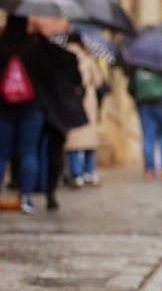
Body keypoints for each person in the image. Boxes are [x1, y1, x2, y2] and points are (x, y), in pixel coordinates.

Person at [0, 15, 79, 213]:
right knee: (28, 152)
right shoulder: (34, 48)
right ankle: (26, 197)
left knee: (1, 155)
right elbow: (51, 72)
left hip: (3, 108)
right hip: (31, 107)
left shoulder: (1, 46)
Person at [64, 32, 104, 189]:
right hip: (87, 102)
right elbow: (99, 82)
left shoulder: (61, 55)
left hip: (68, 101)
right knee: (88, 140)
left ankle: (76, 173)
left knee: (72, 140)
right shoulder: (88, 58)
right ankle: (89, 171)